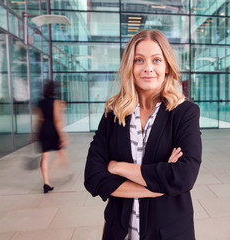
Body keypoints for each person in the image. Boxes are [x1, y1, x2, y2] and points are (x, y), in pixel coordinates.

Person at [84, 29, 202, 240]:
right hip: (120, 232)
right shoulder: (113, 113)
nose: (148, 68)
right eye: (139, 60)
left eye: (156, 60)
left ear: (167, 66)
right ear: (130, 66)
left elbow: (184, 177)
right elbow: (93, 177)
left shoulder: (185, 113)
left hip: (169, 233)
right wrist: (158, 185)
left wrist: (118, 167)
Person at [36, 81, 69, 193]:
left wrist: (36, 133)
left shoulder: (40, 102)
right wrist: (62, 136)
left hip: (43, 130)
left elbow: (39, 119)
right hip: (52, 130)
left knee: (44, 157)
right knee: (61, 153)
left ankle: (46, 182)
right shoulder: (55, 102)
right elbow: (57, 120)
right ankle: (65, 172)